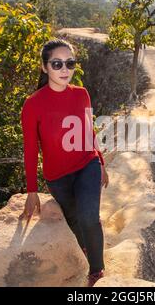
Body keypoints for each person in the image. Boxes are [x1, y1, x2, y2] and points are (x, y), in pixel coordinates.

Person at [19, 38, 109, 287]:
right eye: (57, 64)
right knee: (74, 219)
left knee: (89, 216)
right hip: (57, 176)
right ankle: (85, 249)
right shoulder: (32, 104)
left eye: (70, 63)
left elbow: (88, 131)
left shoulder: (81, 94)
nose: (64, 70)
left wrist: (100, 162)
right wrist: (31, 191)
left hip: (86, 163)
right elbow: (30, 150)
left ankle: (97, 272)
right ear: (44, 67)